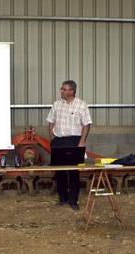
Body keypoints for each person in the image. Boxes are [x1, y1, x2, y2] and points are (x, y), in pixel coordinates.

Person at [46, 80, 92, 211]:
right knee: (59, 171)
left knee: (73, 172)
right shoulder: (56, 105)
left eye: (64, 89)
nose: (61, 91)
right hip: (59, 141)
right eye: (61, 89)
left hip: (74, 141)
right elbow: (50, 122)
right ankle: (62, 198)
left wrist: (82, 141)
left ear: (72, 91)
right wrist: (52, 138)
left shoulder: (81, 105)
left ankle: (73, 200)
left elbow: (87, 124)